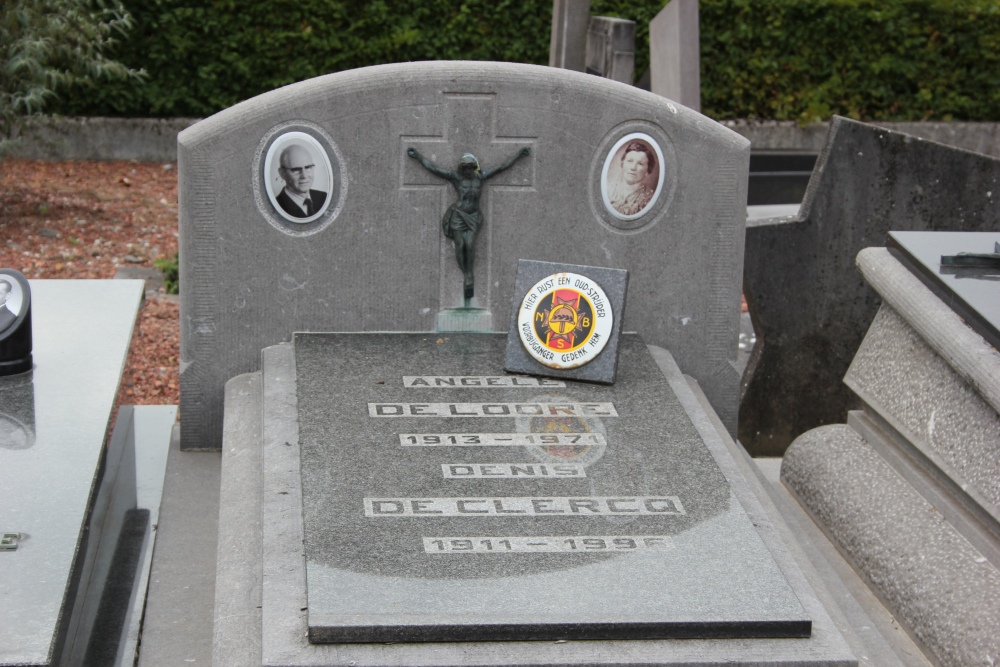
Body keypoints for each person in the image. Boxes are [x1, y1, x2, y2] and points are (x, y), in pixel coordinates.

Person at [407, 146, 531, 299]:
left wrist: (519, 155)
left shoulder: (481, 177)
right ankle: (467, 275)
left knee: (470, 244)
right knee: (460, 245)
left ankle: (469, 274)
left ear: (474, 167)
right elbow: (434, 169)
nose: (466, 171)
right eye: (464, 168)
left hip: (473, 216)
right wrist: (418, 156)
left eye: (469, 168)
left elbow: (502, 167)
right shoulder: (456, 178)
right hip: (458, 215)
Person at [275, 144, 327, 218]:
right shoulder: (276, 206)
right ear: (282, 173)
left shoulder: (323, 197)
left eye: (308, 167)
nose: (304, 176)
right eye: (296, 169)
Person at [608, 141, 656, 216]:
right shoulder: (608, 189)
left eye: (640, 163)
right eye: (630, 161)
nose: (633, 167)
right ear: (622, 164)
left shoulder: (650, 199)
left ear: (647, 171)